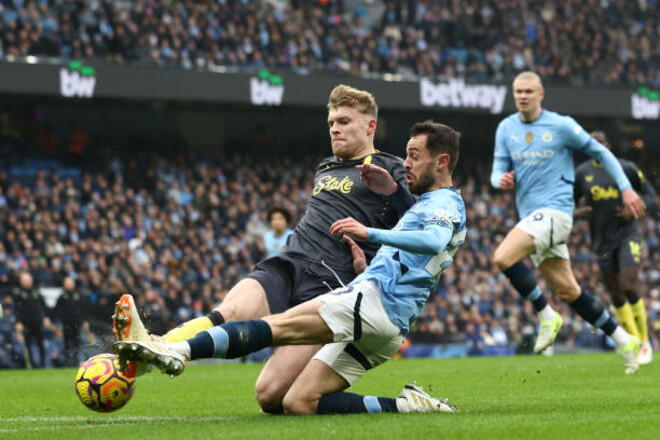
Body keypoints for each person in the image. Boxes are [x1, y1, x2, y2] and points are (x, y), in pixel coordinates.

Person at [114, 121, 465, 415]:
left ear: (442, 161)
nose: (406, 163)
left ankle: (175, 351)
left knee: (274, 325)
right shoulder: (426, 204)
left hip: (375, 304)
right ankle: (409, 407)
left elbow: (434, 241)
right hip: (389, 325)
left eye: (415, 156)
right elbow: (418, 261)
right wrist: (367, 265)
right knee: (299, 402)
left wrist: (369, 231)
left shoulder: (445, 202)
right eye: (406, 154)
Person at [490, 71, 646, 374]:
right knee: (569, 292)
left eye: (529, 91)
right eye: (518, 91)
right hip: (532, 217)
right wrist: (501, 180)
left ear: (541, 95)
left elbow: (600, 152)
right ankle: (625, 342)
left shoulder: (560, 125)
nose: (523, 96)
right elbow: (496, 171)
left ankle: (545, 315)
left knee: (502, 256)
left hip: (557, 212)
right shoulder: (505, 128)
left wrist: (626, 188)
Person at [574, 131, 657, 365]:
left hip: (628, 235)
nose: (597, 148)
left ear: (608, 145)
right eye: (592, 145)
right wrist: (577, 213)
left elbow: (650, 196)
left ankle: (643, 342)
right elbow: (567, 203)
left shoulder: (626, 168)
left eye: (601, 144)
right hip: (601, 241)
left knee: (629, 286)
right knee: (616, 294)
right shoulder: (582, 174)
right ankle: (631, 340)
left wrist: (634, 209)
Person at [13, 272, 46, 368]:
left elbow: (43, 307)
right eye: (25, 280)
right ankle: (30, 365)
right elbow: (16, 310)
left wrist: (46, 317)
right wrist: (18, 322)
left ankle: (43, 365)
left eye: (28, 280)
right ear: (21, 282)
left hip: (38, 322)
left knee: (41, 344)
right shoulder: (19, 295)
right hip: (26, 324)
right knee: (28, 345)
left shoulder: (37, 293)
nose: (27, 282)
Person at [55, 276, 84, 366]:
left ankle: (76, 362)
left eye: (71, 283)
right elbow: (57, 311)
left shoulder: (78, 296)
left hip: (77, 324)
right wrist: (58, 325)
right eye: (67, 283)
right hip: (66, 324)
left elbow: (83, 310)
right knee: (66, 344)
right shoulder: (62, 297)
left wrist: (84, 321)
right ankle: (67, 363)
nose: (69, 285)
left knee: (77, 344)